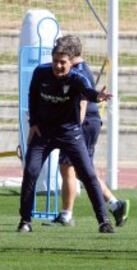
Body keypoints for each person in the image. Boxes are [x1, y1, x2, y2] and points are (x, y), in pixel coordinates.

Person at [17, 41, 114, 233]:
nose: (58, 66)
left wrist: (98, 97)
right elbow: (32, 95)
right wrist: (33, 123)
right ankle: (25, 221)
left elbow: (88, 92)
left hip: (70, 133)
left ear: (71, 63)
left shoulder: (78, 78)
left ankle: (104, 221)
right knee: (31, 172)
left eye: (62, 62)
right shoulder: (41, 72)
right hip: (43, 133)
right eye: (55, 61)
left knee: (88, 174)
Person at [50, 35, 129, 227]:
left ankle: (66, 215)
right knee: (83, 170)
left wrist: (75, 127)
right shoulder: (78, 68)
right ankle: (115, 204)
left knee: (67, 167)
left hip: (82, 124)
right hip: (88, 123)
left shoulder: (78, 71)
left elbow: (82, 101)